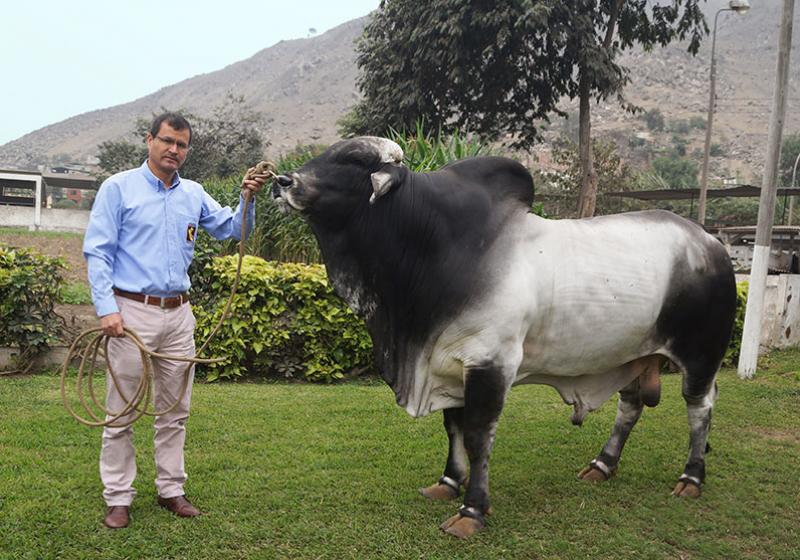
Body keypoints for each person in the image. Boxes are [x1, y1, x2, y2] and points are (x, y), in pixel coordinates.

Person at [83, 112, 269, 529]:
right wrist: (106, 308)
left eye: (181, 145)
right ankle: (118, 497)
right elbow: (98, 251)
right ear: (149, 140)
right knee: (121, 411)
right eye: (167, 141)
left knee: (175, 411)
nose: (174, 150)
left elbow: (231, 230)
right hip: (130, 312)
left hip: (179, 315)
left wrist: (247, 198)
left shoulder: (193, 194)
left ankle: (171, 490)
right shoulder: (118, 188)